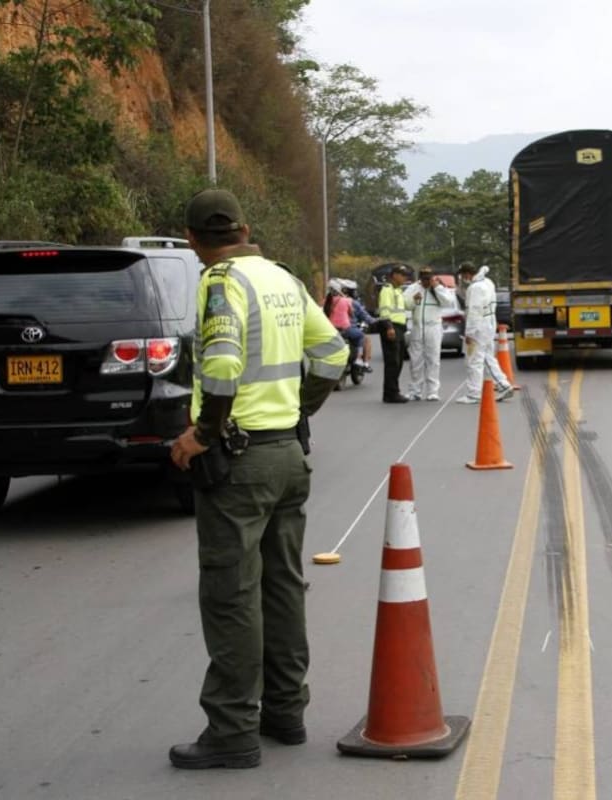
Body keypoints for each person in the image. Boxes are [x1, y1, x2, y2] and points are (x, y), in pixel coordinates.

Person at [168, 188, 348, 770]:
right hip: (287, 456)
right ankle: (286, 712)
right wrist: (299, 411)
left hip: (240, 462)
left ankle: (232, 731)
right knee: (282, 585)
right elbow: (331, 352)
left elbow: (219, 365)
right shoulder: (282, 278)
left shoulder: (221, 283)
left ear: (194, 240)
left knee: (231, 595)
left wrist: (202, 433)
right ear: (244, 228)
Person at [456, 263, 513, 404]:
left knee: (474, 360)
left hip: (478, 326)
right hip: (488, 323)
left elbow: (474, 311)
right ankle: (503, 384)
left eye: (463, 275)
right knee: (487, 357)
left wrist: (469, 332)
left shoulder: (475, 288)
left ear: (468, 273)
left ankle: (474, 394)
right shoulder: (488, 282)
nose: (463, 278)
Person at [404, 266, 455, 401]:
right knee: (415, 360)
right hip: (417, 327)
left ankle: (433, 391)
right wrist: (413, 300)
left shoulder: (439, 288)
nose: (426, 282)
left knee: (433, 359)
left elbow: (449, 302)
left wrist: (437, 288)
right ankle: (415, 391)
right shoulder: (413, 288)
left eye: (428, 278)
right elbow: (405, 304)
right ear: (420, 278)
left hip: (433, 327)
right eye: (423, 279)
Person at [377, 265, 411, 403]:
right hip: (391, 327)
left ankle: (392, 391)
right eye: (402, 275)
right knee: (392, 362)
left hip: (400, 327)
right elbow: (384, 310)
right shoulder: (387, 290)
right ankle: (391, 393)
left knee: (398, 362)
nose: (405, 278)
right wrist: (389, 327)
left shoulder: (398, 291)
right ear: (394, 275)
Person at [324, 279, 370, 372]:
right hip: (346, 328)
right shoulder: (348, 301)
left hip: (330, 330)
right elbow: (358, 315)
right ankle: (359, 360)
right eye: (352, 291)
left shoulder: (326, 301)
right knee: (362, 336)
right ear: (343, 290)